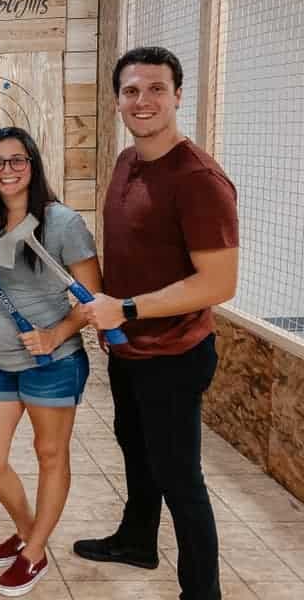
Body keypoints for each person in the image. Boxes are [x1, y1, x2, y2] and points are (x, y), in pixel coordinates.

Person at [76, 46, 239, 600]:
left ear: (177, 96)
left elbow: (217, 283)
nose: (142, 100)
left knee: (180, 478)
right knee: (135, 449)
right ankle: (137, 540)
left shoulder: (198, 179)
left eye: (155, 89)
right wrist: (108, 312)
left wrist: (125, 308)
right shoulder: (127, 161)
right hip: (129, 348)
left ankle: (202, 591)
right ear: (118, 99)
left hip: (174, 352)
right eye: (130, 91)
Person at [0, 127, 101, 597]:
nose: (7, 170)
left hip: (54, 363)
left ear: (33, 164)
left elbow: (93, 300)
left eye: (17, 160)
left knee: (50, 455)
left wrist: (55, 333)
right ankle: (29, 529)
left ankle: (35, 551)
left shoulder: (63, 223)